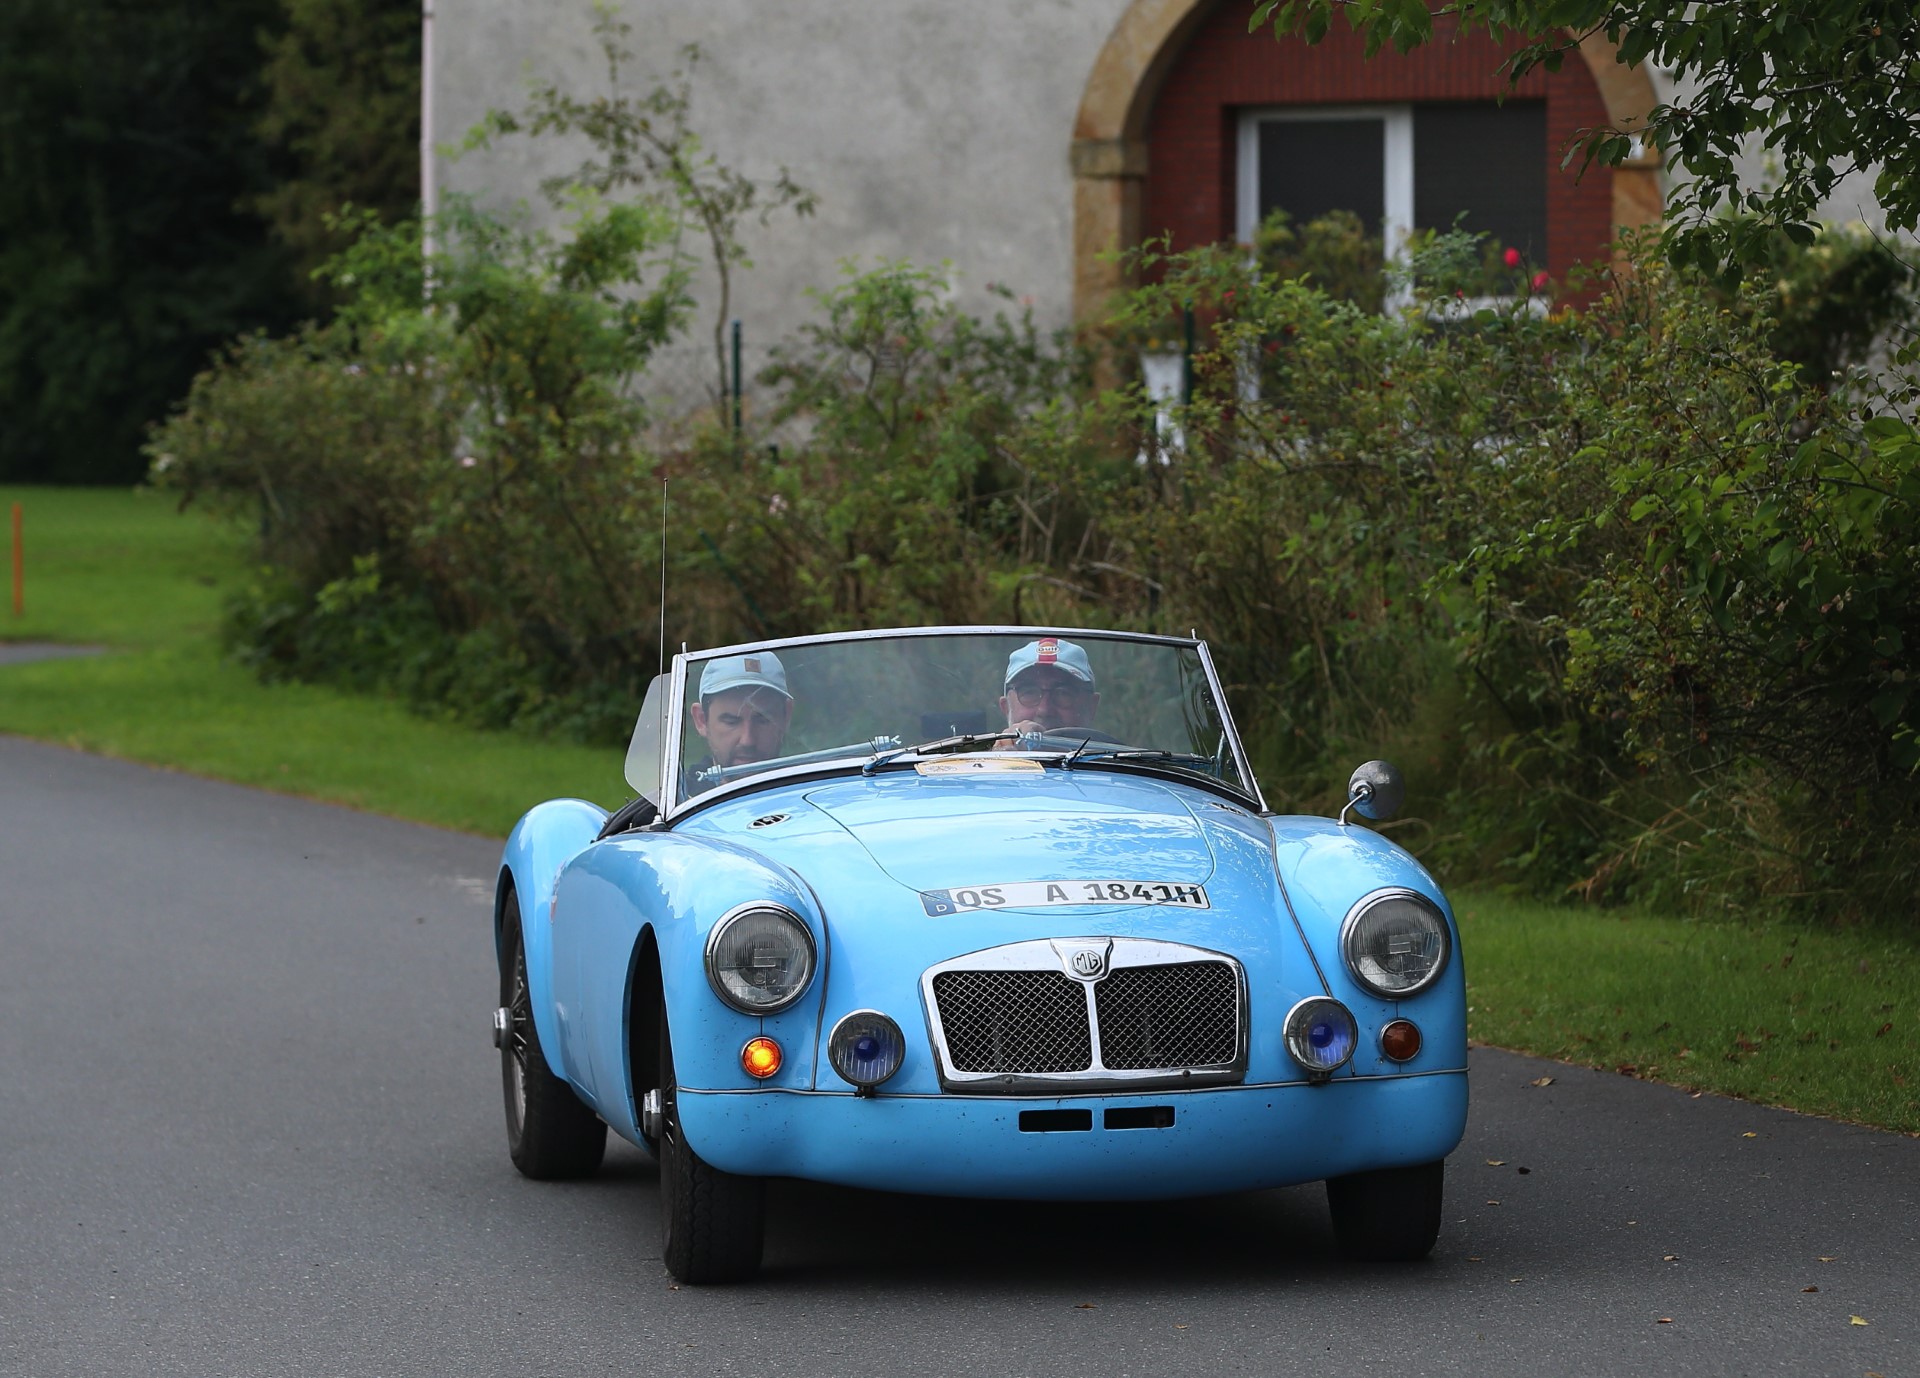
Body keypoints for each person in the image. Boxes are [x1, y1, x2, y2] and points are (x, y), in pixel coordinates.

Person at [687, 651, 794, 789]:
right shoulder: (677, 798)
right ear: (701, 720)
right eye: (731, 722)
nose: (747, 740)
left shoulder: (811, 788)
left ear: (786, 716)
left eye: (763, 720)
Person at [998, 636, 1100, 739]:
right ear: (1006, 707)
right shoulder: (991, 749)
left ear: (1091, 706)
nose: (1044, 710)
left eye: (1063, 693)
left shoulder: (1109, 749)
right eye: (1029, 693)